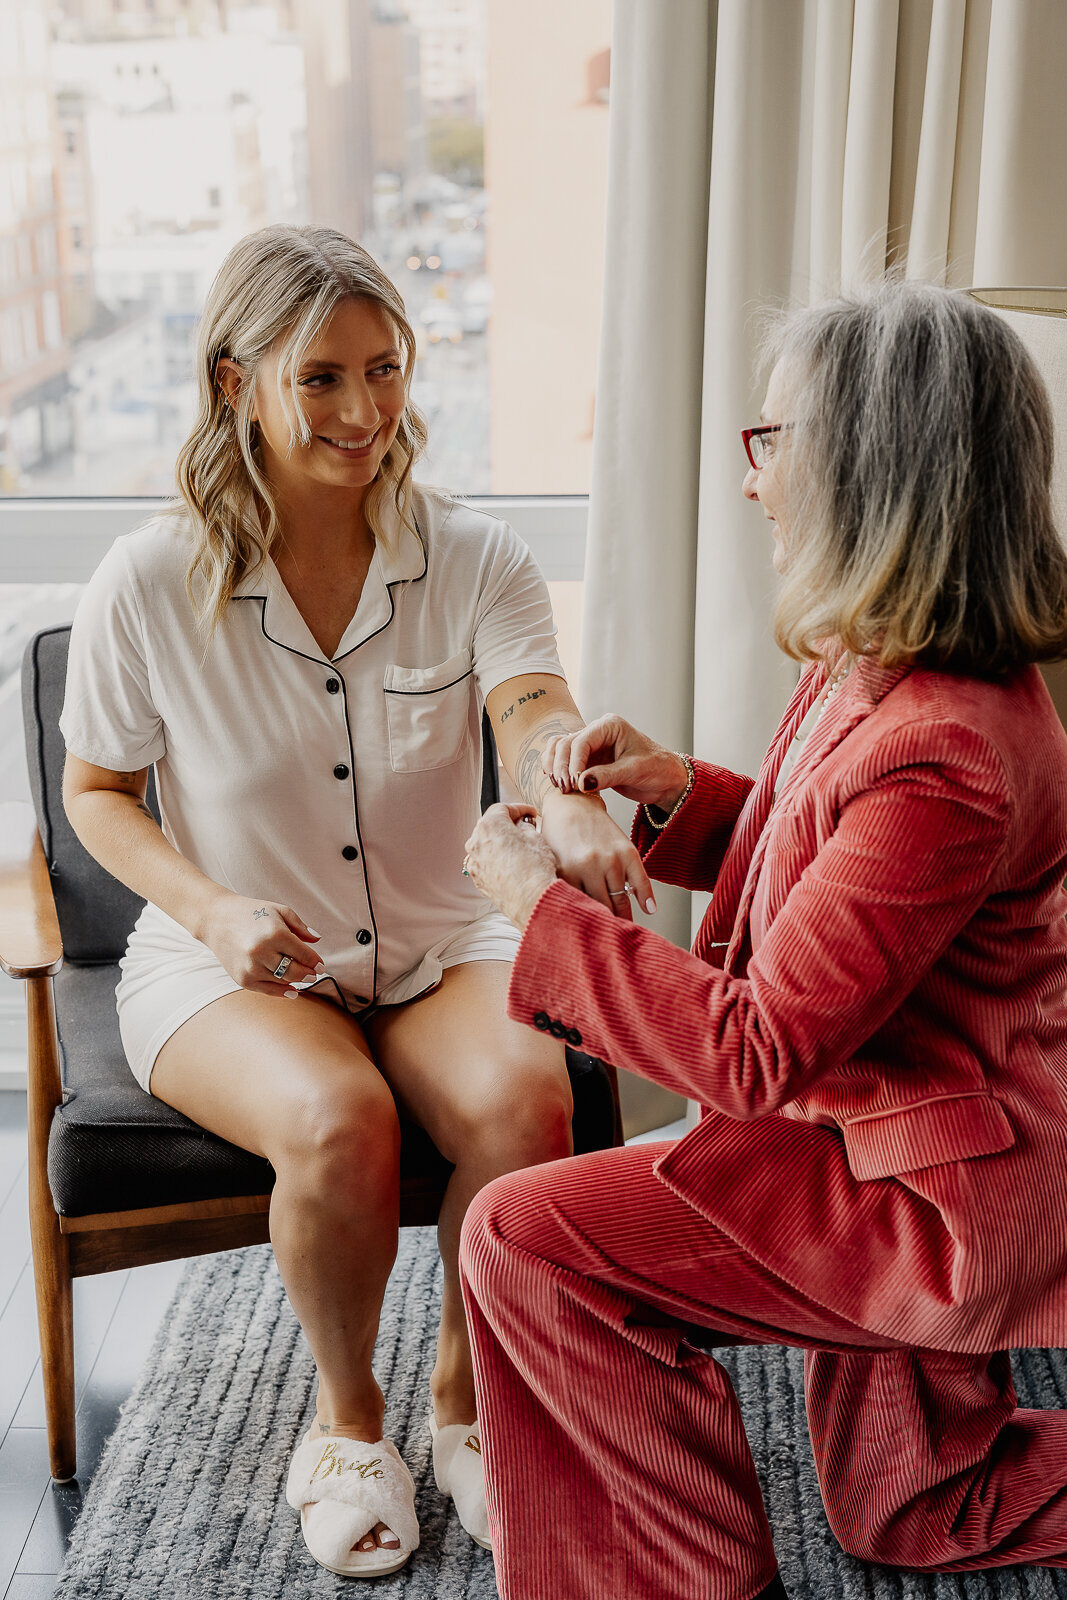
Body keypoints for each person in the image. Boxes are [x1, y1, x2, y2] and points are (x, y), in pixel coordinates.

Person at [458, 281, 1067, 1600]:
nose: (755, 483)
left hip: (925, 1187)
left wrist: (536, 902)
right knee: (912, 1508)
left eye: (770, 443)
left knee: (526, 1239)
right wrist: (679, 792)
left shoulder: (941, 748)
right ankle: (934, 1471)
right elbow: (837, 875)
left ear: (863, 468)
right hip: (913, 1103)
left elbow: (759, 1051)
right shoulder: (892, 661)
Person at [58, 224, 643, 1579]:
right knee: (338, 1120)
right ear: (233, 384)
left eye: (386, 370)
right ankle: (345, 1423)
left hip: (447, 938)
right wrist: (208, 908)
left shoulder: (477, 557)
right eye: (321, 377)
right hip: (233, 962)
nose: (366, 412)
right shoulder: (147, 582)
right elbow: (95, 795)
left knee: (525, 1104)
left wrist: (564, 808)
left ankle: (463, 1403)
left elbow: (531, 712)